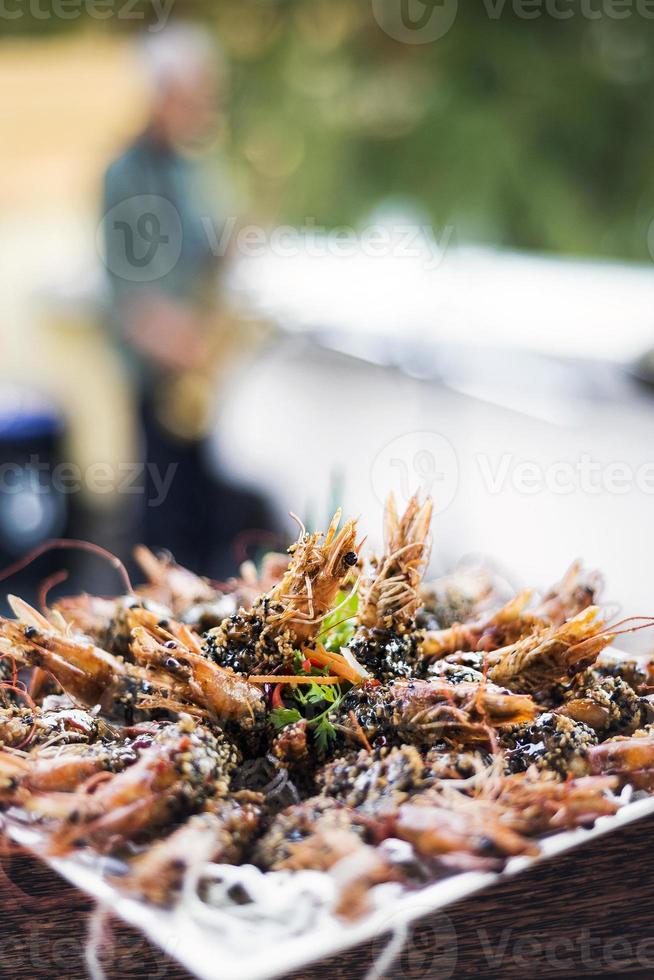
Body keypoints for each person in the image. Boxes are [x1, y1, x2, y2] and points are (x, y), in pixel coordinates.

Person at [102, 23, 271, 574]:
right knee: (163, 521)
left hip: (197, 366)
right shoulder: (125, 173)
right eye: (193, 93)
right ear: (162, 94)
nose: (202, 105)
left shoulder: (194, 165)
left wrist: (236, 241)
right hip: (159, 372)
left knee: (207, 512)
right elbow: (131, 293)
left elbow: (207, 250)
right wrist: (178, 341)